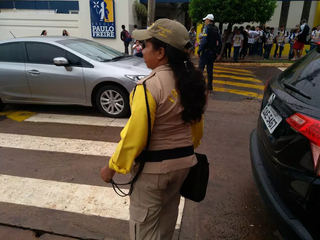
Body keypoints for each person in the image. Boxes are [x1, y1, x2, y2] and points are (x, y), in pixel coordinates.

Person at [100, 18, 207, 240]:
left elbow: (134, 137)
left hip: (153, 172)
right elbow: (196, 130)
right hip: (184, 165)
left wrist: (112, 167)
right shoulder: (192, 81)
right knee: (167, 221)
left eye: (146, 45)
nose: (141, 49)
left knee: (144, 228)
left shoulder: (149, 86)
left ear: (160, 52)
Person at [197, 14, 222, 90]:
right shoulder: (216, 29)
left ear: (208, 20)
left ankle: (198, 85)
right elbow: (220, 42)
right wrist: (218, 52)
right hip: (213, 52)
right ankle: (210, 85)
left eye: (205, 20)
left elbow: (204, 40)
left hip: (205, 52)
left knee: (200, 69)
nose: (205, 21)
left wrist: (199, 50)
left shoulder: (206, 28)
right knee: (210, 70)